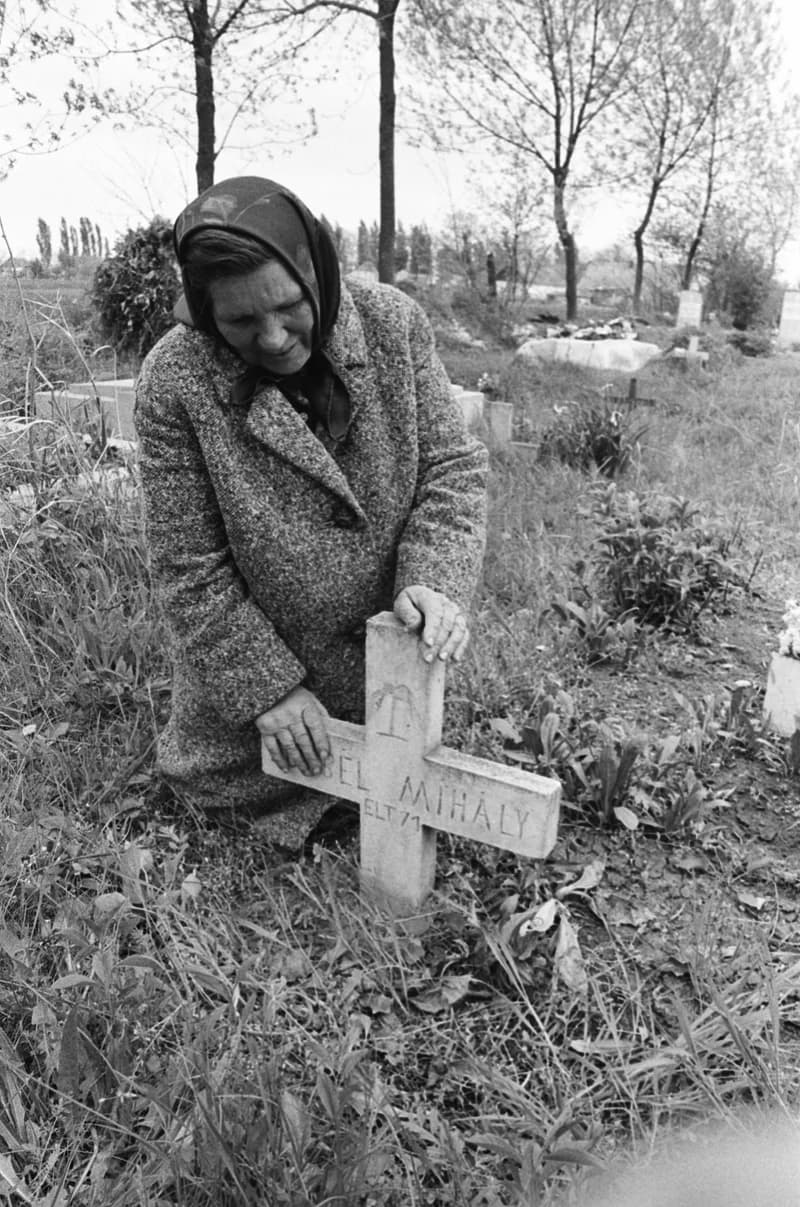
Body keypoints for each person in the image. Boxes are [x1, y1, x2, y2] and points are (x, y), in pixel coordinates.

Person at [134, 176, 488, 848]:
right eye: (238, 321)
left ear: (314, 271)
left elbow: (452, 466)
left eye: (287, 305)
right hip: (256, 741)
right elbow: (189, 567)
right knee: (247, 800)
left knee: (407, 781)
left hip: (394, 695)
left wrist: (431, 580)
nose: (271, 337)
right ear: (208, 315)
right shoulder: (176, 379)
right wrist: (266, 689)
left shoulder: (392, 324)